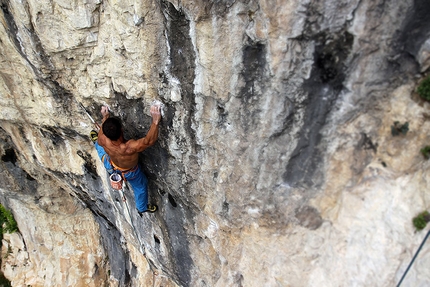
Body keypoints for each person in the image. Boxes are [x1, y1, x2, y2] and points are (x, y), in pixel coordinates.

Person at [90, 104, 161, 215]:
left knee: (100, 148)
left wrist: (105, 116)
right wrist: (155, 122)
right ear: (122, 130)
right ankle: (141, 208)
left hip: (110, 164)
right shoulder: (129, 148)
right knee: (141, 187)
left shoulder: (102, 139)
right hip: (129, 173)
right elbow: (149, 141)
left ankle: (94, 141)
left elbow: (104, 129)